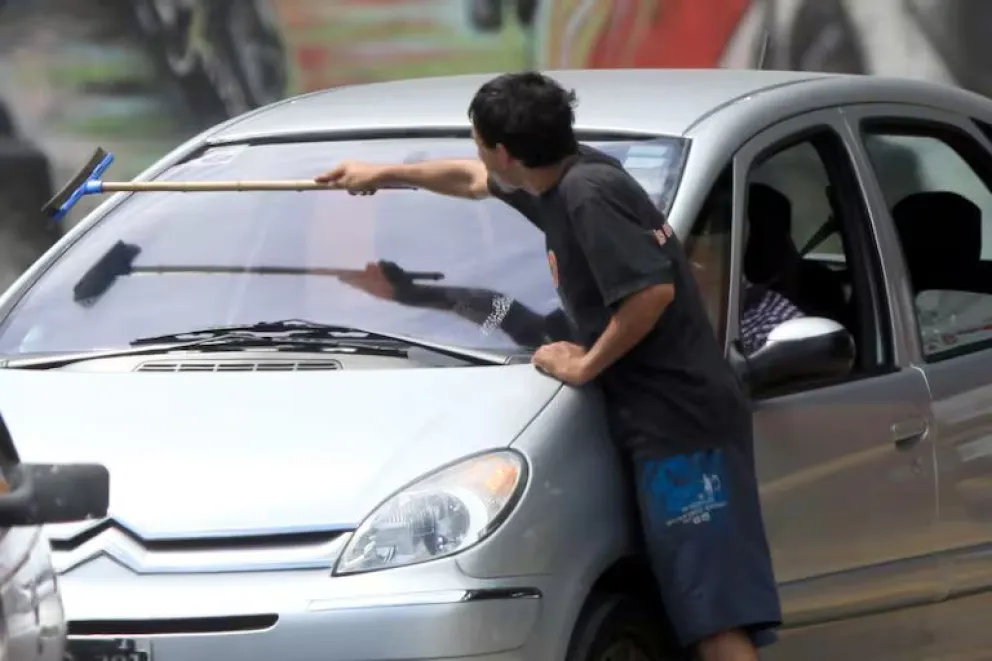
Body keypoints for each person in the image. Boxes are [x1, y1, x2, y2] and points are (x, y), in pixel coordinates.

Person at [314, 72, 782, 661]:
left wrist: (587, 364)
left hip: (684, 431)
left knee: (713, 619)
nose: (478, 154)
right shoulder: (556, 178)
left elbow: (651, 294)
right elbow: (471, 180)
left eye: (479, 142)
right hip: (656, 428)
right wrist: (382, 175)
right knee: (686, 615)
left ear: (506, 151)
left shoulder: (588, 195)